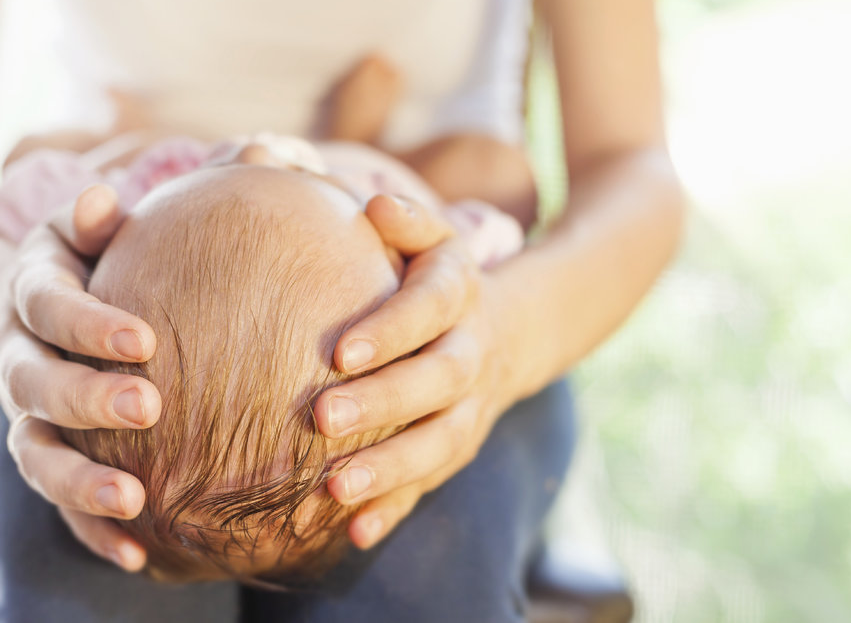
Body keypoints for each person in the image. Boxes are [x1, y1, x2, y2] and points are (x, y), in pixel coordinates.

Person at [0, 0, 684, 621]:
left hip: (137, 193)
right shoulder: (406, 202)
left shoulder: (106, 187)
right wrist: (20, 301)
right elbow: (498, 189)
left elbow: (629, 163)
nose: (263, 146)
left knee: (411, 590)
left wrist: (497, 332)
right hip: (368, 213)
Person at [1, 131, 524, 584]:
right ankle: (355, 132)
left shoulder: (114, 196)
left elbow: (16, 196)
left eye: (229, 168)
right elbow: (498, 243)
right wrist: (452, 257)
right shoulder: (397, 225)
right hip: (377, 167)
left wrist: (20, 281)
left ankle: (129, 121)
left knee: (42, 144)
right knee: (494, 167)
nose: (259, 145)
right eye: (309, 179)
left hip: (156, 130)